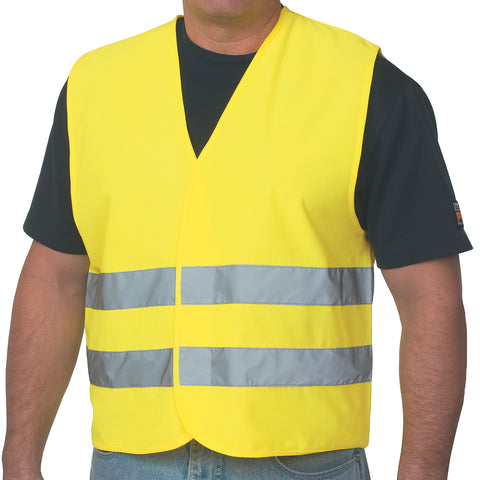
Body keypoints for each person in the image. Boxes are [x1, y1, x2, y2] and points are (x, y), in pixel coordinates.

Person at [2, 1, 472, 479]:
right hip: (128, 462)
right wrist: (18, 458)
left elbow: (429, 299)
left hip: (304, 464)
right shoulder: (94, 86)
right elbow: (54, 280)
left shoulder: (368, 86)